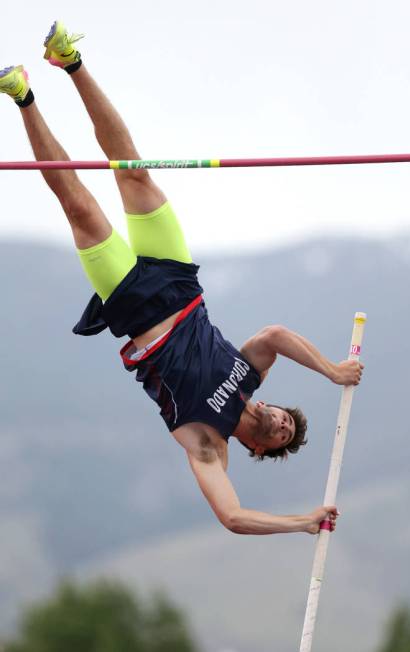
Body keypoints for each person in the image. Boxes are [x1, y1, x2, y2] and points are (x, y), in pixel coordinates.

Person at [0, 21, 363, 536]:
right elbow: (276, 337)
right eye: (286, 418)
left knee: (78, 206)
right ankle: (69, 61)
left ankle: (23, 95)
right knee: (133, 170)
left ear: (257, 448)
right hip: (178, 281)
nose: (282, 422)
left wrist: (303, 523)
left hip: (135, 308)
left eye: (282, 435)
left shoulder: (207, 442)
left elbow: (234, 518)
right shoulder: (248, 374)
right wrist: (331, 371)